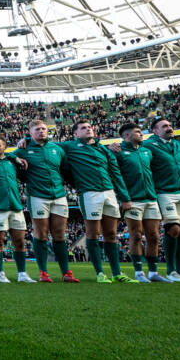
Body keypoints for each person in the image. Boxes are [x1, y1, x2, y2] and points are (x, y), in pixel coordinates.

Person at [57, 121, 136, 283]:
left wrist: (125, 197)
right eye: (83, 128)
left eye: (90, 127)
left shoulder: (104, 149)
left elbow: (115, 173)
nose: (88, 129)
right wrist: (27, 141)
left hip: (109, 193)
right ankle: (100, 273)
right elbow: (45, 146)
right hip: (88, 194)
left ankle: (117, 273)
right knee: (93, 233)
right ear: (76, 134)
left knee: (111, 234)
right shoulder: (69, 146)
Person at [13, 120, 75, 282]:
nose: (41, 131)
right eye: (37, 129)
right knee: (41, 233)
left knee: (60, 234)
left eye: (44, 129)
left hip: (59, 195)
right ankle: (43, 272)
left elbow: (65, 170)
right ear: (30, 132)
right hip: (37, 196)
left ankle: (66, 273)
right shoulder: (22, 151)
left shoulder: (57, 149)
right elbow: (15, 170)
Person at [144, 117, 180, 282]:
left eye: (170, 125)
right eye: (164, 126)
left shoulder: (177, 144)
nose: (169, 128)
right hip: (163, 192)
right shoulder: (149, 145)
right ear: (155, 131)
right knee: (173, 229)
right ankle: (171, 271)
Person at [115, 122, 168, 283]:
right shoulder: (118, 152)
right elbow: (116, 177)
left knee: (154, 236)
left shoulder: (147, 151)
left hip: (151, 199)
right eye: (138, 132)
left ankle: (153, 272)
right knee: (136, 235)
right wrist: (124, 198)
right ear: (127, 136)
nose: (141, 134)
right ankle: (139, 272)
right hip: (132, 200)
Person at [0, 137, 36, 283]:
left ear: (5, 147)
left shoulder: (12, 162)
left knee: (19, 241)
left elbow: (18, 163)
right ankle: (0, 274)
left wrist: (12, 156)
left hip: (16, 207)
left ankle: (22, 274)